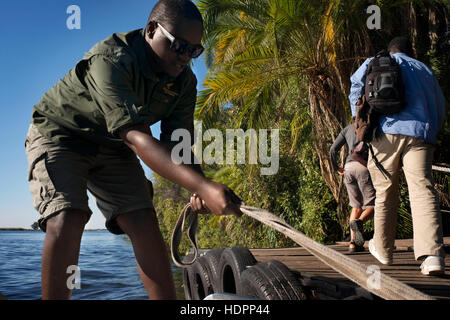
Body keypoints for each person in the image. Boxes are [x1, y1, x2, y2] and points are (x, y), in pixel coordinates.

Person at [25, 0, 242, 300]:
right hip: (62, 134)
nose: (185, 57)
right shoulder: (111, 59)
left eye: (194, 51)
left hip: (113, 146)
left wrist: (200, 187)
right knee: (68, 216)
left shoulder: (184, 82)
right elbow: (136, 137)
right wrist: (203, 185)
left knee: (143, 220)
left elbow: (179, 144)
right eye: (179, 46)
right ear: (152, 29)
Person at [349, 37, 446, 275]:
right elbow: (440, 106)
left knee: (384, 191)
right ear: (410, 52)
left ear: (391, 51)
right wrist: (430, 131)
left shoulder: (375, 61)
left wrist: (360, 120)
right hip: (420, 134)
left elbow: (355, 86)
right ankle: (432, 256)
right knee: (423, 190)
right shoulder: (424, 69)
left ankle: (383, 249)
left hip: (385, 132)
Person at [330, 122, 375, 252]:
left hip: (348, 168)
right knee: (375, 205)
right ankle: (359, 222)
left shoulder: (347, 129)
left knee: (356, 207)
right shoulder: (370, 125)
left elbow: (332, 149)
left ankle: (353, 243)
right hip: (363, 167)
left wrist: (336, 168)